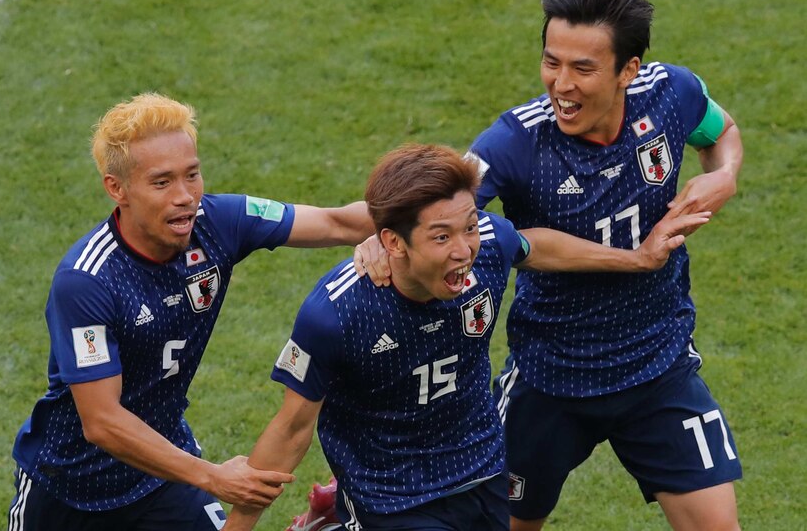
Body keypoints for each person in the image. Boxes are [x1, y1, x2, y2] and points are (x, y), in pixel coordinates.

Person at [222, 144, 709, 531]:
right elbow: (290, 430)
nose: (463, 252)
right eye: (440, 237)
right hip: (394, 496)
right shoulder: (336, 314)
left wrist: (637, 258)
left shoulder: (488, 250)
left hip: (482, 472)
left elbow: (532, 245)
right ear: (392, 241)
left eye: (469, 227)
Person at [8, 92, 377, 531]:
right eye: (162, 183)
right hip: (68, 489)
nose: (186, 197)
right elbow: (102, 423)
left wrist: (402, 228)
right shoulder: (87, 281)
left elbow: (340, 222)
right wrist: (216, 477)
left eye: (193, 175)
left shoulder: (220, 222)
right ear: (117, 188)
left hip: (163, 475)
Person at [464, 0, 744, 531]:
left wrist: (726, 175)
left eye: (583, 68)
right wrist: (381, 239)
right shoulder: (515, 140)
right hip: (550, 379)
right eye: (552, 62)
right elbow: (444, 210)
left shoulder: (671, 93)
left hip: (657, 366)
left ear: (628, 70)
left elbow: (722, 131)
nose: (561, 85)